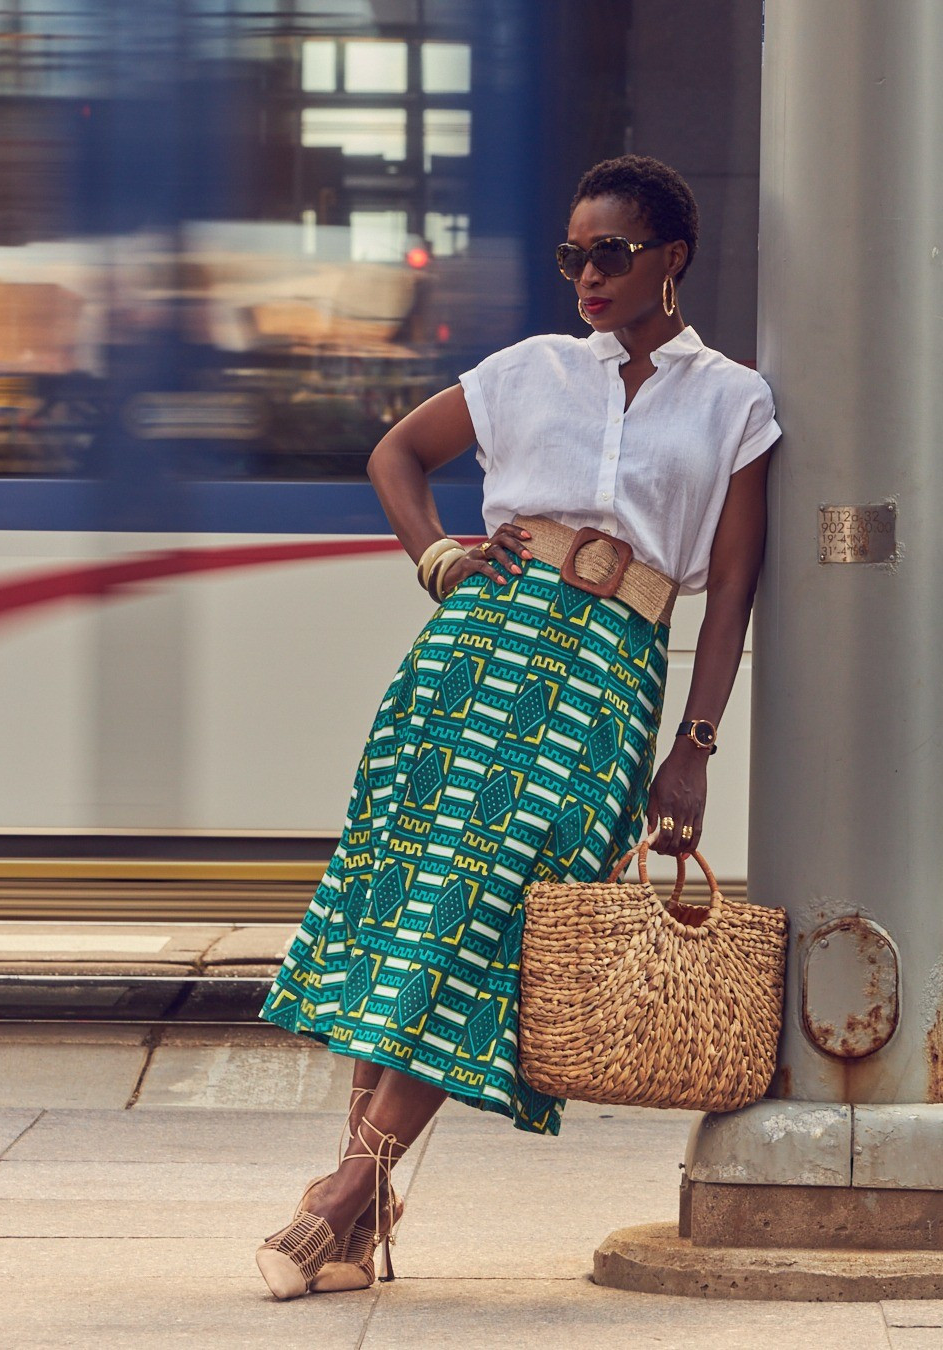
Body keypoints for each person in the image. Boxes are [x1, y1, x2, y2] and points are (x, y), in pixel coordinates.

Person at [255, 154, 781, 1300]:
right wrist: (437, 554)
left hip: (605, 677)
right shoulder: (528, 367)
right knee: (416, 906)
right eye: (573, 254)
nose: (587, 274)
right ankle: (357, 1211)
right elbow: (396, 453)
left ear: (671, 258)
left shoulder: (735, 398)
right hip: (473, 652)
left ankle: (349, 1190)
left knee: (495, 918)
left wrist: (694, 746)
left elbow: (731, 586)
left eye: (612, 253)